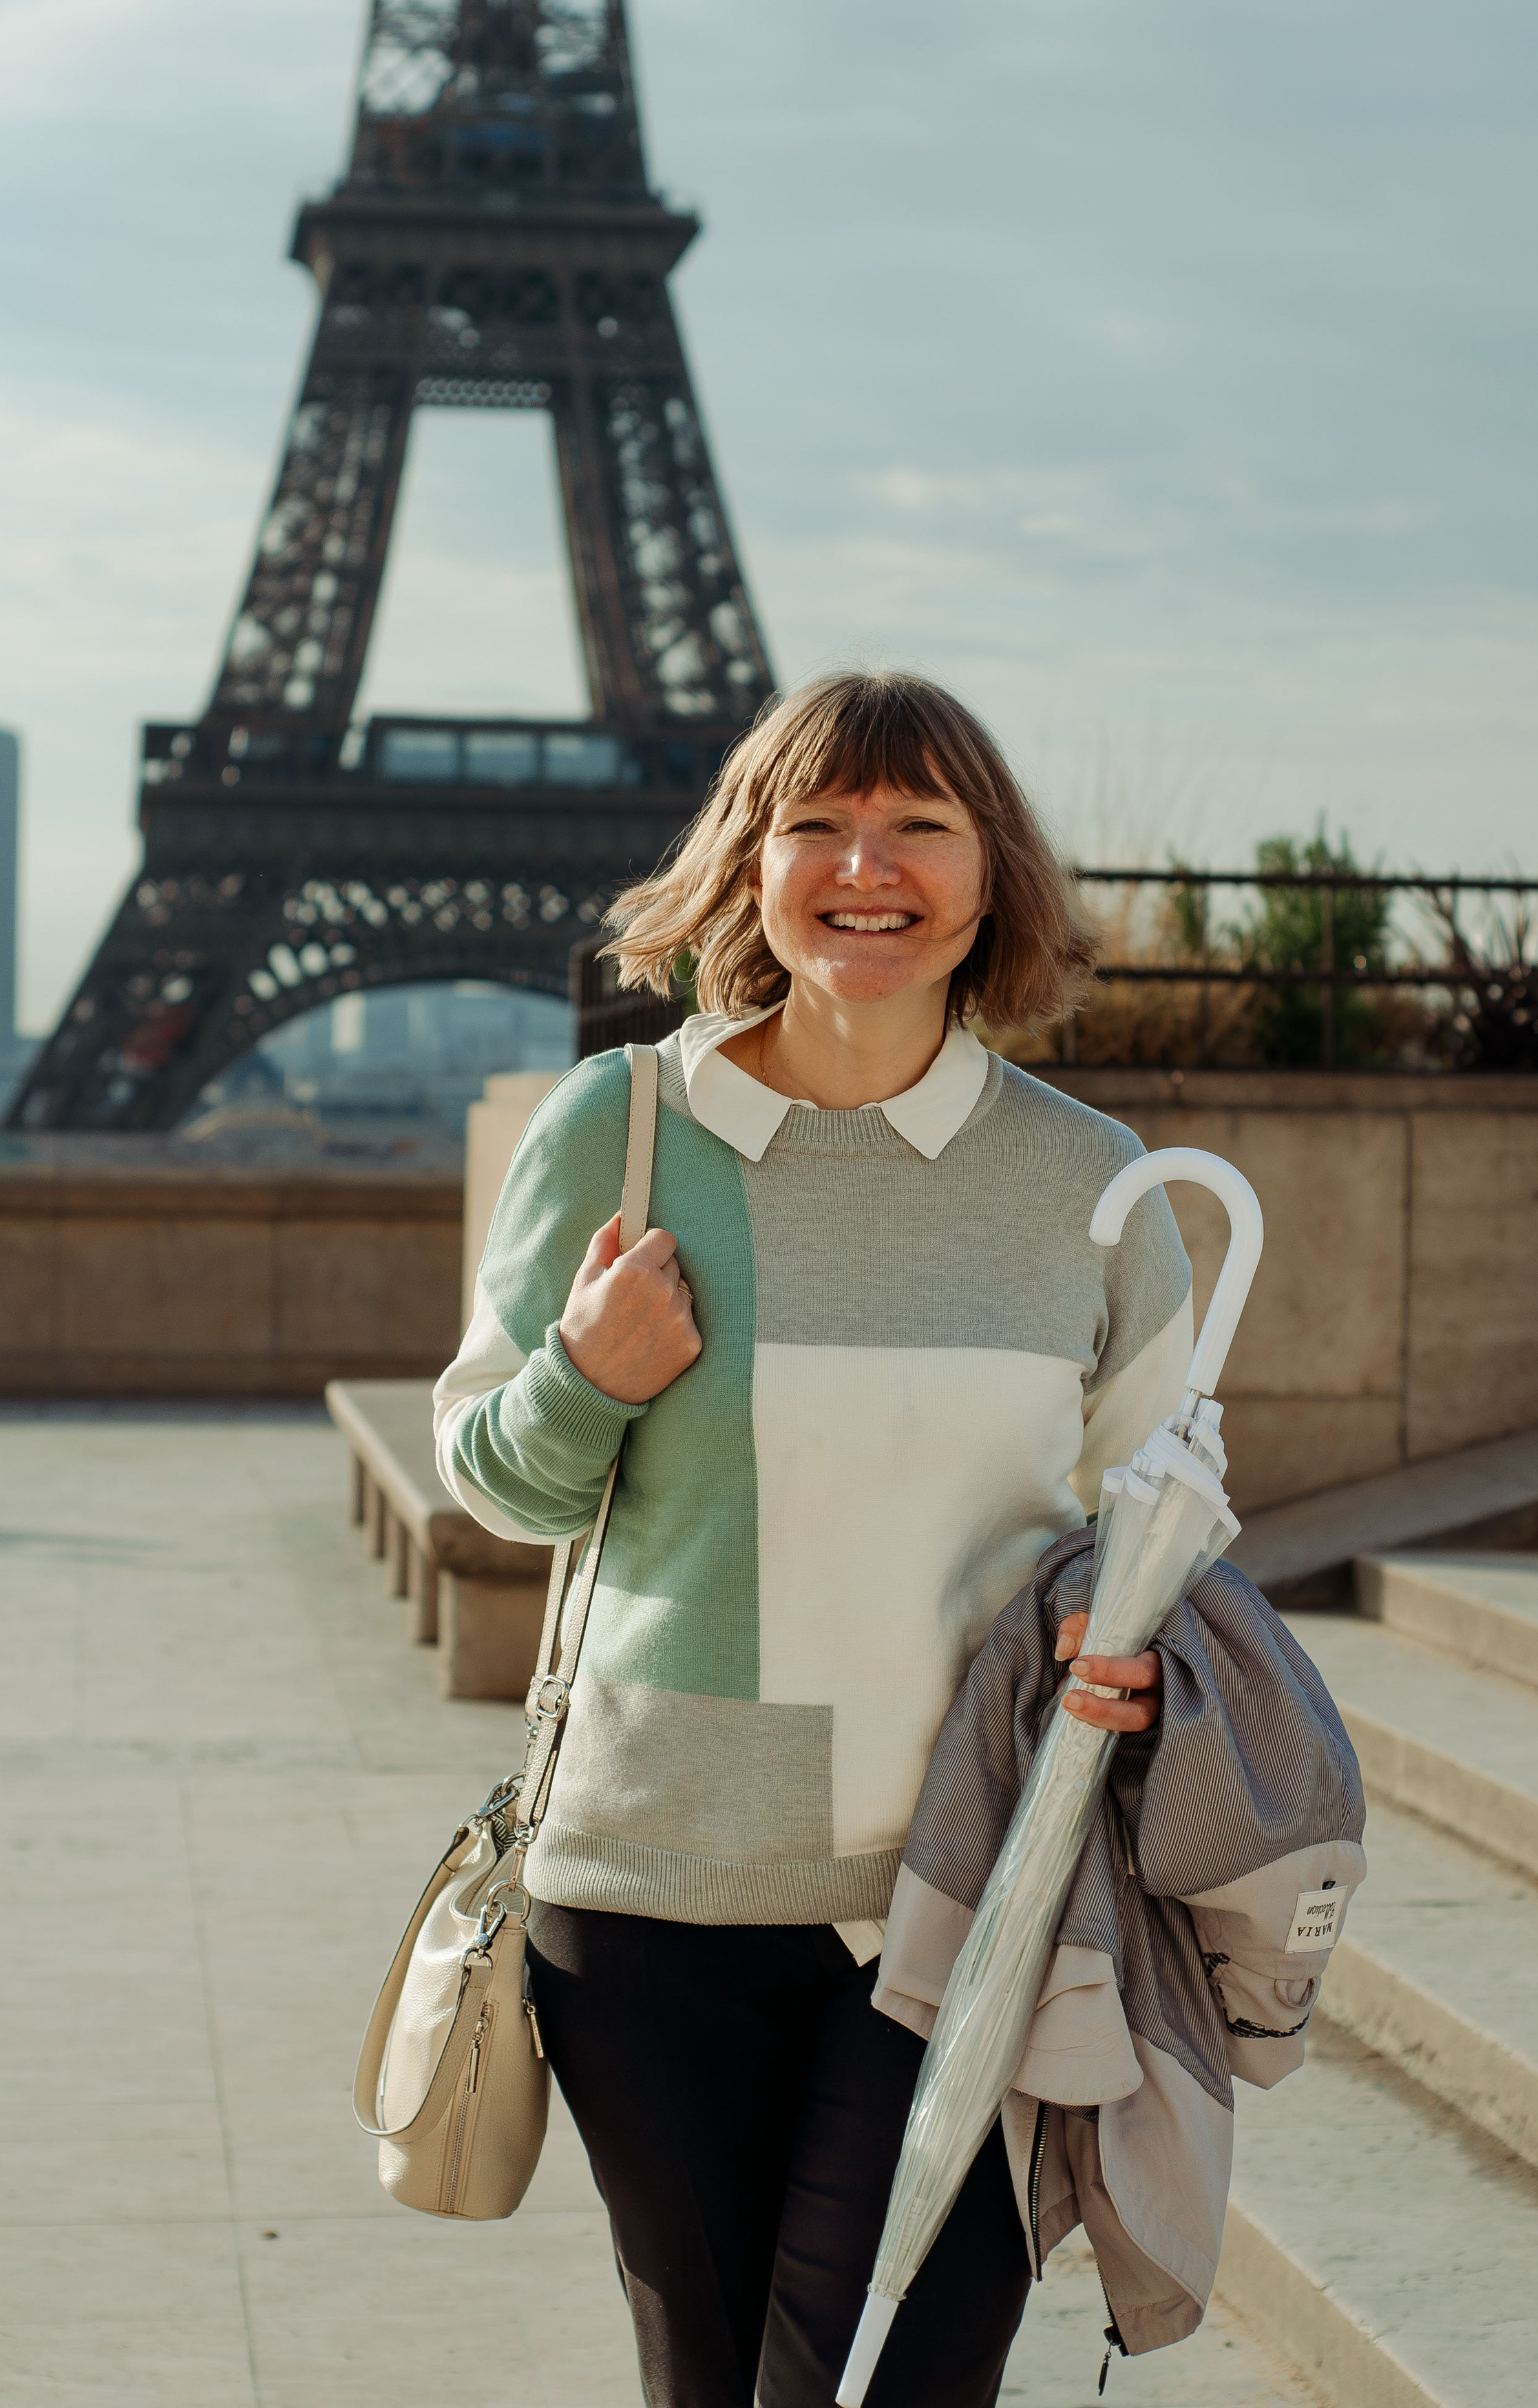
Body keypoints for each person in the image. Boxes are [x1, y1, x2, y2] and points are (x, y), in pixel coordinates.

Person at [434, 671, 1194, 2408]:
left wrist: (1132, 1648)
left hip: (971, 1887)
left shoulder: (1092, 1187)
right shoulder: (619, 1132)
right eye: (818, 825)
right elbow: (495, 1478)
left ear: (989, 873)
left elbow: (1157, 1532)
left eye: (919, 823)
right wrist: (581, 1378)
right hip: (652, 1893)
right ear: (749, 866)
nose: (869, 864)